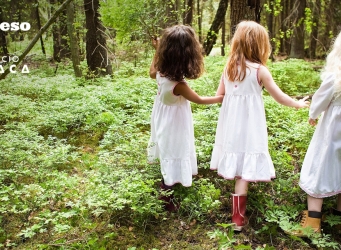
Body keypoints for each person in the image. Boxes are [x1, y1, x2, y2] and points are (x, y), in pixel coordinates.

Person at [209, 20, 309, 231]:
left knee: (239, 167)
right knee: (245, 168)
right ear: (259, 45)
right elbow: (280, 97)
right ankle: (237, 218)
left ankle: (237, 220)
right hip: (250, 126)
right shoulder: (260, 71)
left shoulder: (228, 69)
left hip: (230, 125)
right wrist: (298, 104)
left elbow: (220, 96)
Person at [147, 25, 224, 212]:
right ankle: (167, 195)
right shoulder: (178, 85)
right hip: (174, 123)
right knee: (175, 150)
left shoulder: (159, 72)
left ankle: (168, 183)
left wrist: (157, 52)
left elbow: (151, 72)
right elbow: (199, 100)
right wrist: (222, 98)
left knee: (167, 149)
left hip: (162, 117)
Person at [290, 31, 341, 237]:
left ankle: (312, 223)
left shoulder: (335, 77)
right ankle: (338, 221)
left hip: (333, 128)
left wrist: (313, 113)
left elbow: (321, 99)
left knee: (318, 167)